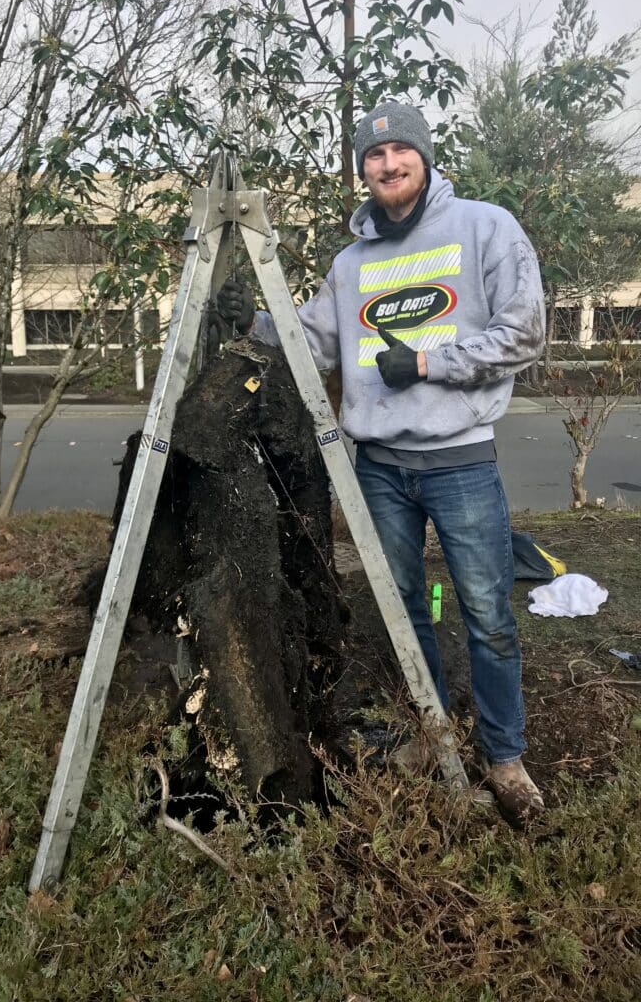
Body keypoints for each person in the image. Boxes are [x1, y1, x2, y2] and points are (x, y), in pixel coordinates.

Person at [217, 100, 546, 825]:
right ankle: (433, 737)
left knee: (488, 615)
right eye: (374, 156)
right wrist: (248, 321)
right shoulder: (351, 263)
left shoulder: (484, 228)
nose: (388, 165)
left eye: (401, 152)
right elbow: (315, 343)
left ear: (424, 158)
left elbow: (525, 334)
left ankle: (504, 756)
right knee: (404, 614)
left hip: (460, 463)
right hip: (380, 468)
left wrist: (429, 361)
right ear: (361, 170)